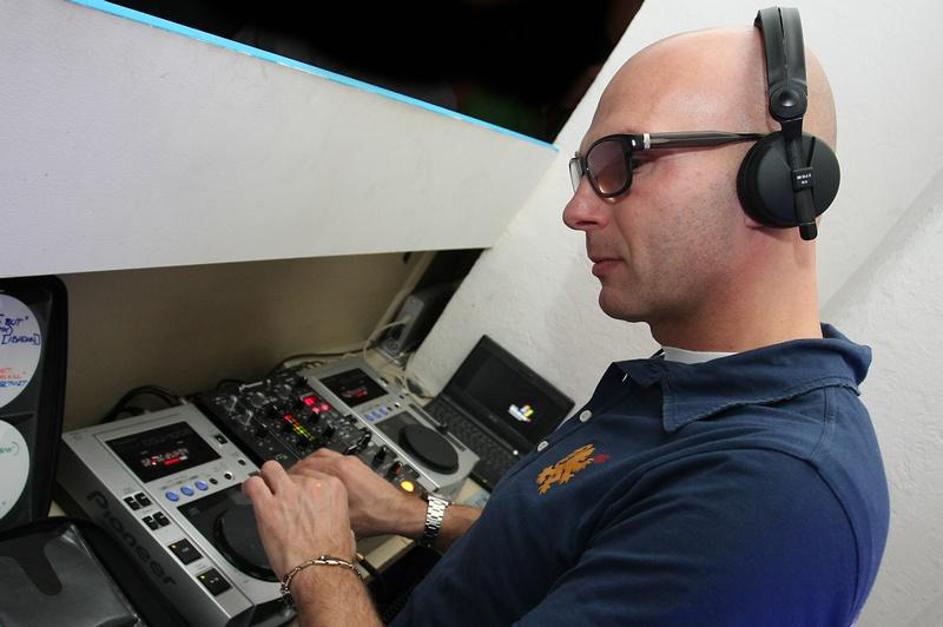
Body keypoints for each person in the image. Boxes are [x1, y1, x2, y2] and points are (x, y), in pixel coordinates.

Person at [243, 15, 890, 627]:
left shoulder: (772, 500)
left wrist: (318, 564)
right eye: (586, 171)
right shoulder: (695, 385)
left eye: (623, 161)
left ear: (782, 180)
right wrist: (414, 513)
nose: (576, 210)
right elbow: (558, 546)